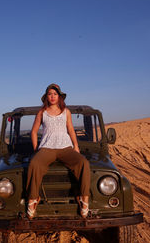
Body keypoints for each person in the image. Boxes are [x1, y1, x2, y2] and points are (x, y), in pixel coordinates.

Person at [26, 83, 90, 219]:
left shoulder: (66, 111)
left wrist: (76, 146)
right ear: (46, 97)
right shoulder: (41, 113)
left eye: (55, 94)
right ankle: (33, 199)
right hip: (47, 147)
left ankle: (84, 198)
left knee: (83, 162)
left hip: (65, 147)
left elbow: (71, 129)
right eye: (50, 94)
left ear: (59, 96)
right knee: (34, 164)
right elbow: (34, 131)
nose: (52, 96)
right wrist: (36, 148)